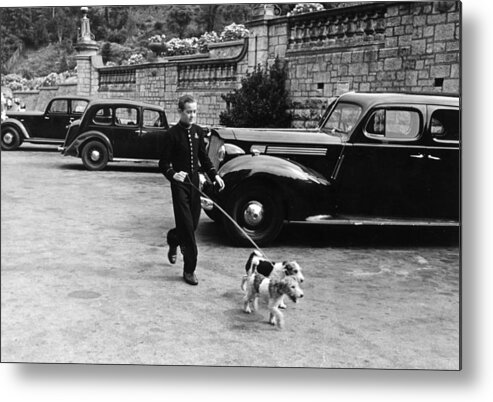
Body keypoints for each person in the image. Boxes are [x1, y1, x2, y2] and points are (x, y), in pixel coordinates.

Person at [159, 94, 225, 285]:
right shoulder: (171, 134)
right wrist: (172, 174)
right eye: (188, 112)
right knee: (188, 228)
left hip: (195, 183)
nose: (192, 115)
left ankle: (173, 239)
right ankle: (189, 270)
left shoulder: (198, 131)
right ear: (180, 111)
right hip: (179, 184)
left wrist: (215, 175)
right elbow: (163, 163)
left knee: (192, 225)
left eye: (195, 112)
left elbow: (203, 158)